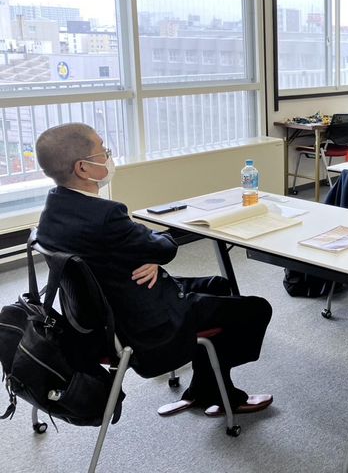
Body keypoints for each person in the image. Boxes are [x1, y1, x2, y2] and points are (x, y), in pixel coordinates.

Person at [34, 123, 273, 418]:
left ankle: (202, 388)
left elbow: (123, 249)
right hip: (143, 324)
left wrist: (140, 252)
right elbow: (164, 248)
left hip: (99, 319)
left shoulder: (52, 209)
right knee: (255, 310)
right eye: (103, 151)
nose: (109, 156)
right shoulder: (107, 215)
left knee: (218, 286)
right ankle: (225, 397)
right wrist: (148, 251)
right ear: (83, 168)